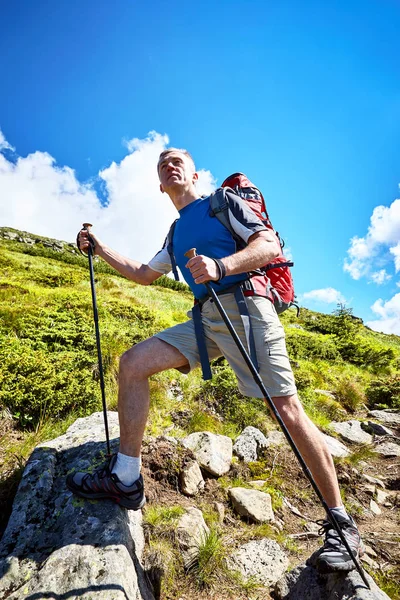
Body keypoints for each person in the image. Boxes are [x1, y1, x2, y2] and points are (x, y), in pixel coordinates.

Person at [68, 148, 363, 573]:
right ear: (160, 184)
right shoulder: (174, 233)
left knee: (285, 409)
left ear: (193, 173)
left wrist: (221, 265)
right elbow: (142, 274)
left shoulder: (222, 203)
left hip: (247, 307)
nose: (170, 165)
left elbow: (268, 244)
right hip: (206, 318)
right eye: (162, 164)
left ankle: (341, 521)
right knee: (132, 364)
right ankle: (126, 480)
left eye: (177, 161)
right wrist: (99, 247)